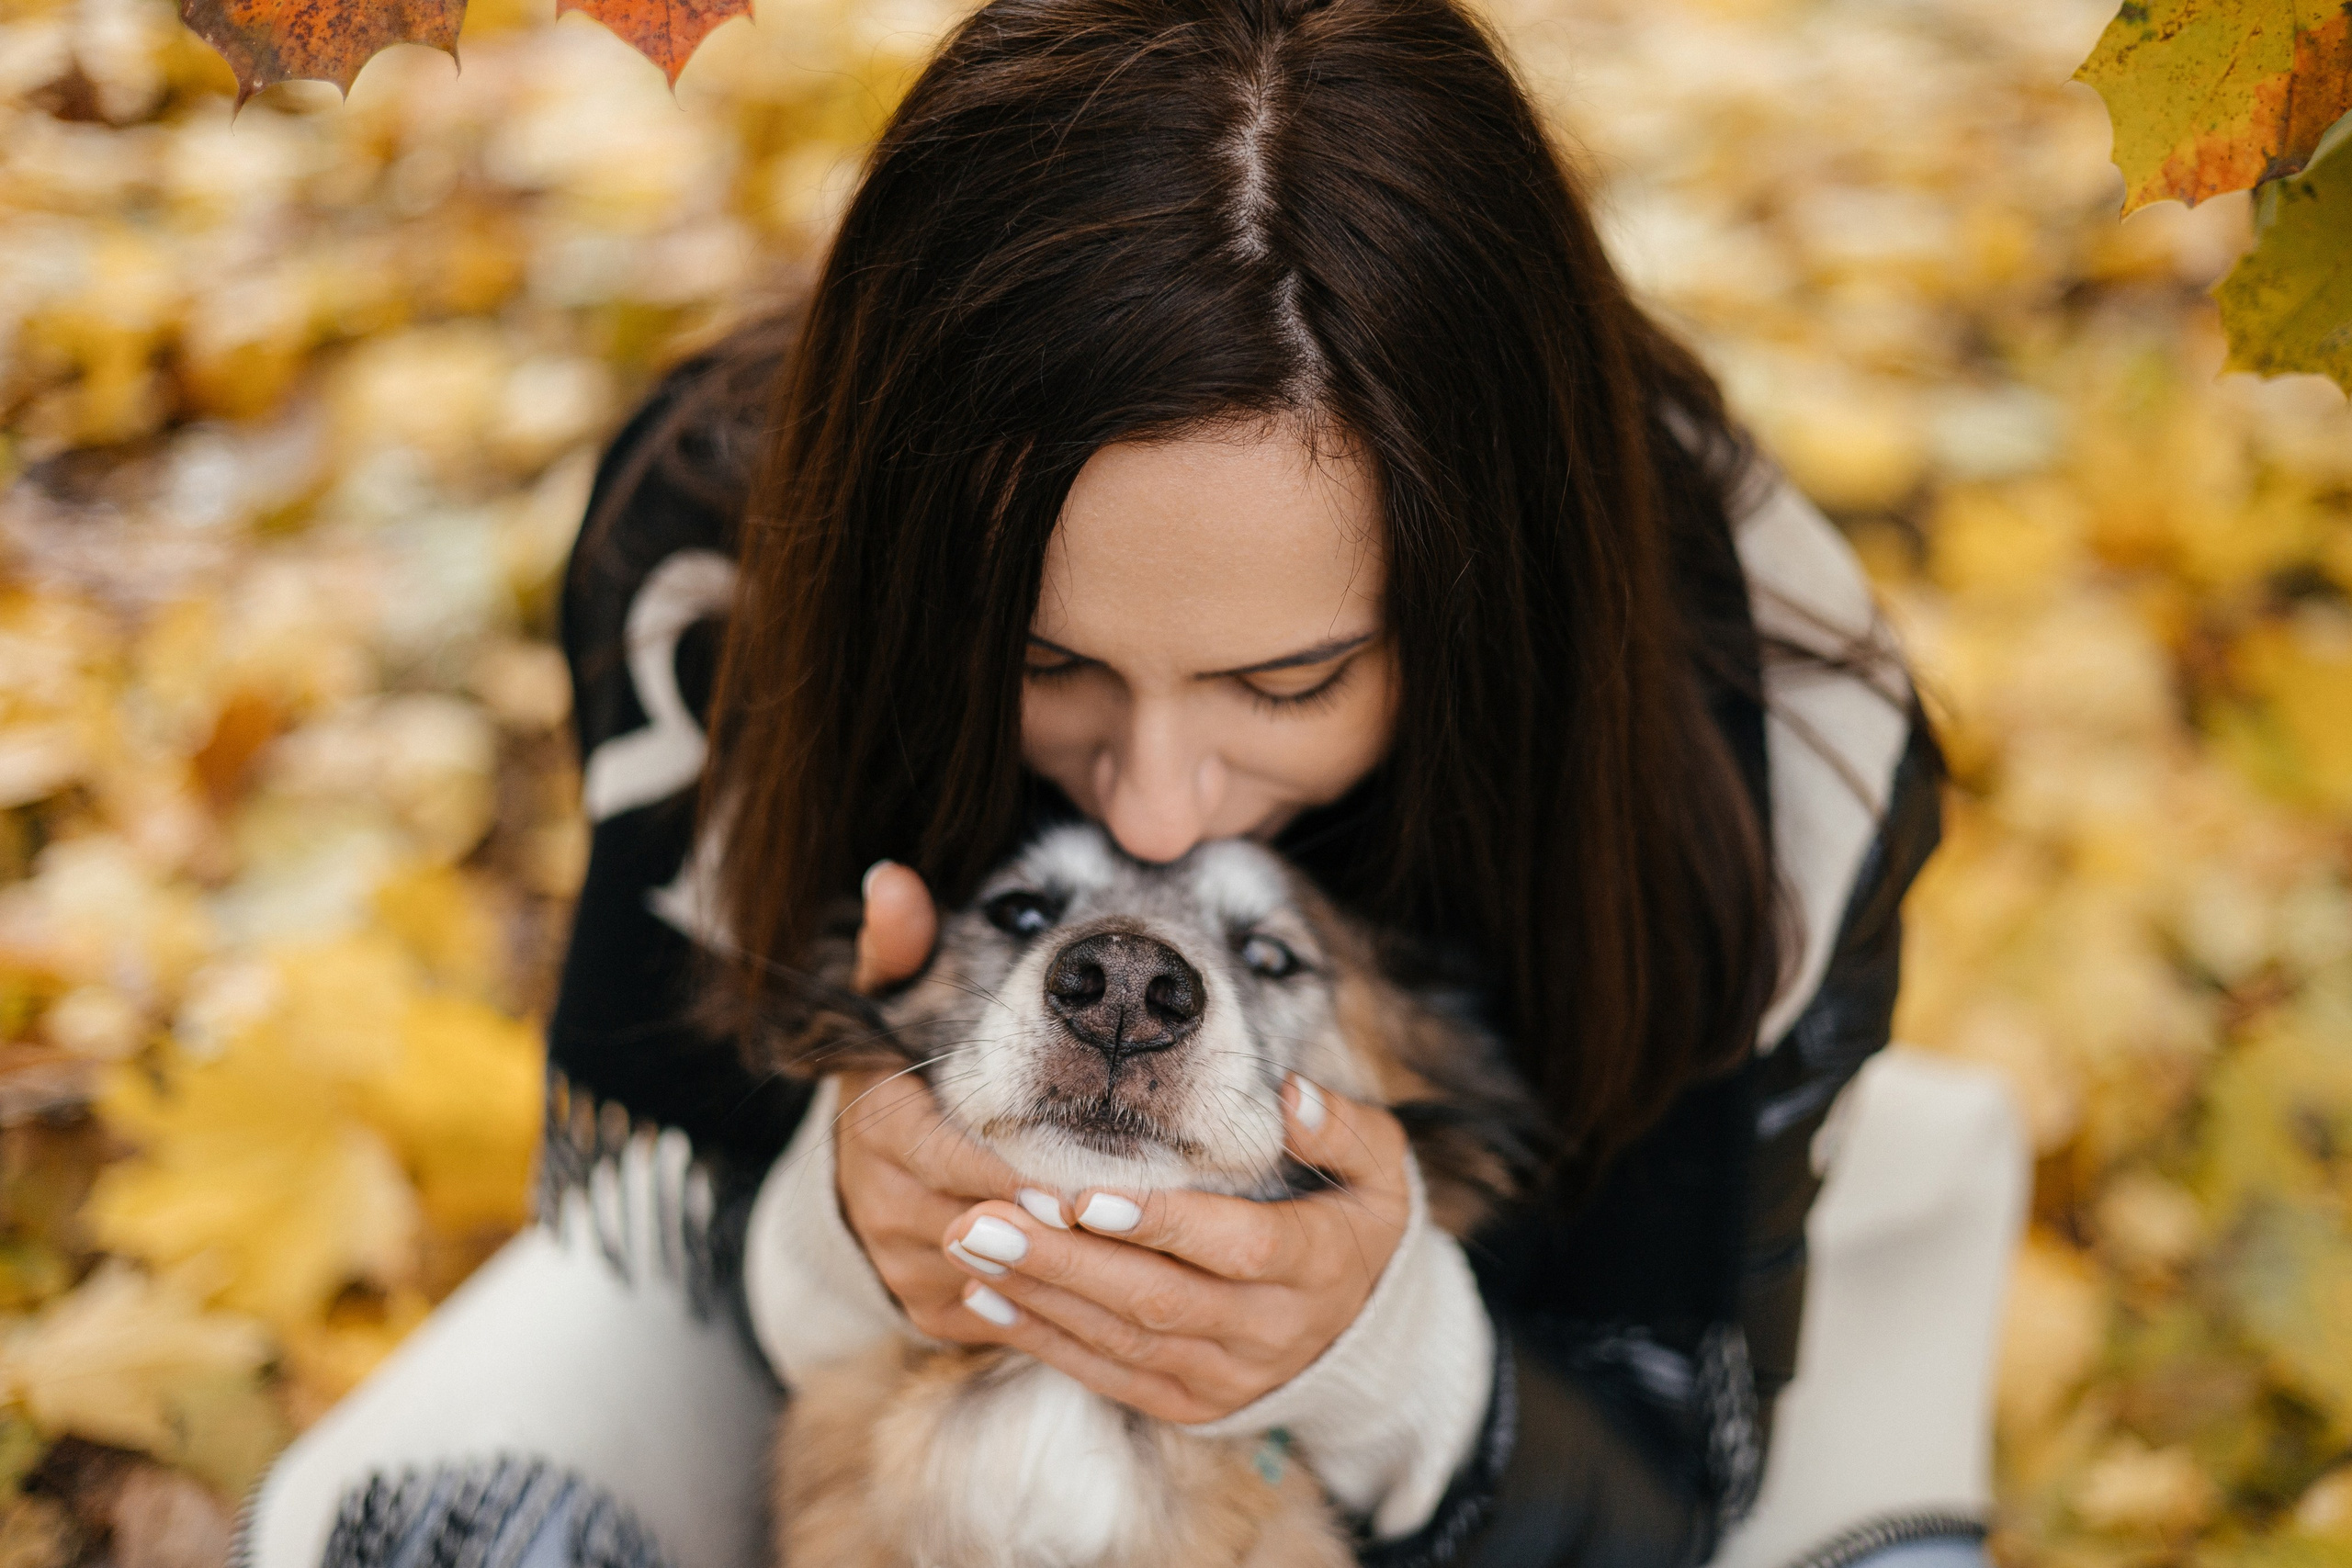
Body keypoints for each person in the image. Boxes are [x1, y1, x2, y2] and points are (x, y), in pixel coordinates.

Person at [544, 0, 1955, 1562]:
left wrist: (1401, 1358)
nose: (1151, 810)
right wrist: (843, 1219)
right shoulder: (715, 560)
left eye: (1292, 683)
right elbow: (649, 1223)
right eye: (1043, 658)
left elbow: (1666, 1475)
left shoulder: (1769, 734)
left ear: (1477, 614)